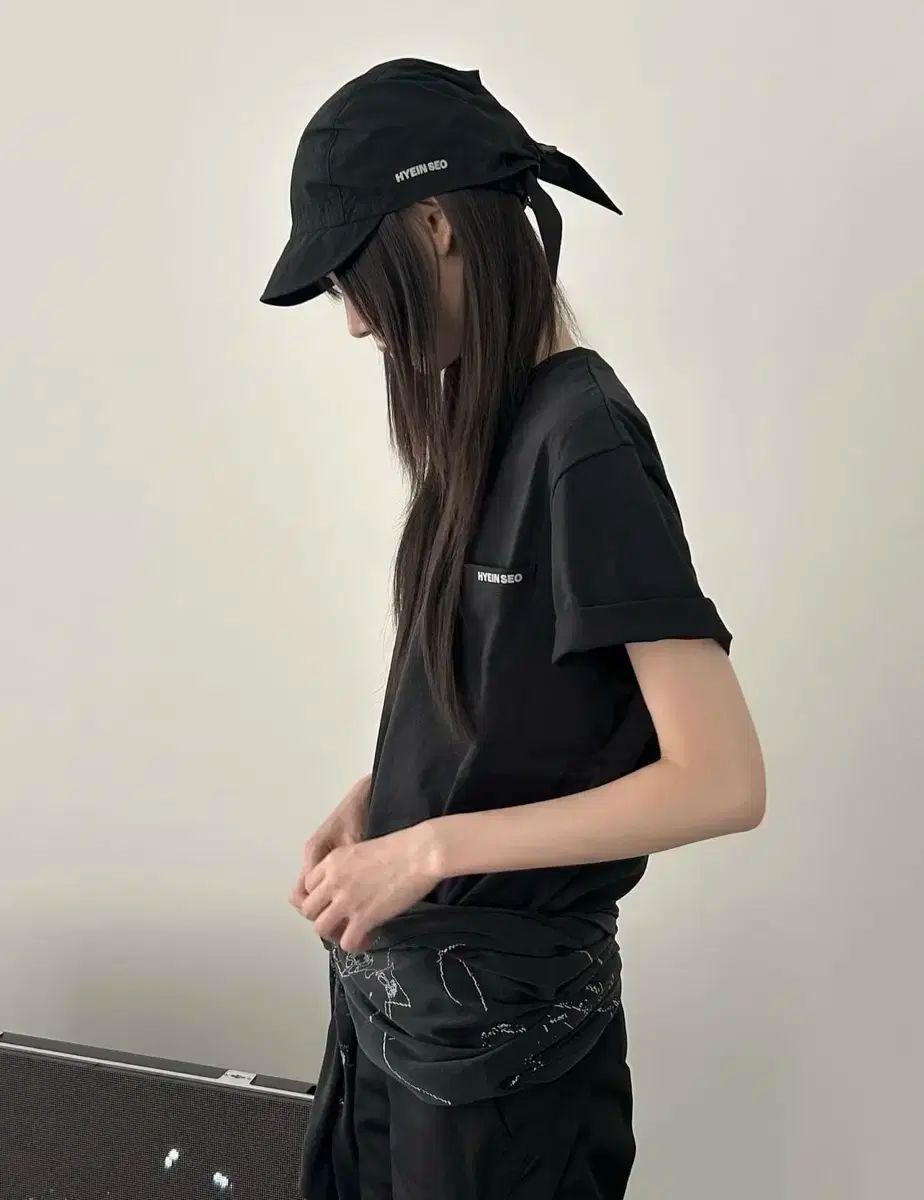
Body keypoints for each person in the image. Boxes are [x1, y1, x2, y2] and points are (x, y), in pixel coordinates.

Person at [262, 56, 766, 1200]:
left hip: (503, 1073)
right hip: (410, 1032)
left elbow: (722, 779)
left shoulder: (584, 441)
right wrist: (385, 798)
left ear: (435, 224)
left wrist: (428, 848)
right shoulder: (485, 429)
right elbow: (515, 707)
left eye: (353, 275)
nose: (353, 321)